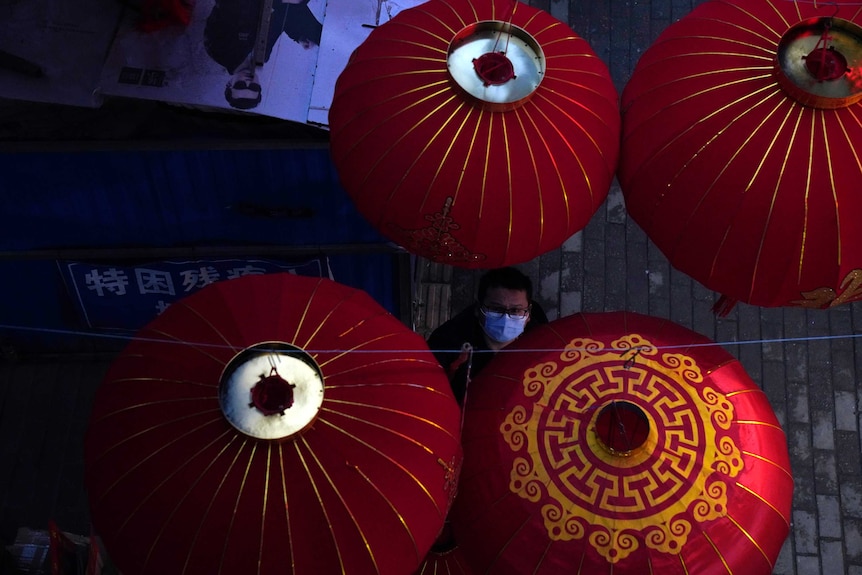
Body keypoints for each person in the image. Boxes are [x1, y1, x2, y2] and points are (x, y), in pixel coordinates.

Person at [427, 267, 548, 404]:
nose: (506, 317)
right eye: (496, 309)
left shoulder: (542, 343)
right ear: (479, 309)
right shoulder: (447, 342)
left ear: (528, 313)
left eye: (515, 310)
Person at [204, 0, 323, 110]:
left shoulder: (217, 50)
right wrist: (298, 36)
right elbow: (279, 19)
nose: (248, 81)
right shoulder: (263, 57)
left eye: (240, 85)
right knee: (319, 37)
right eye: (254, 87)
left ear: (229, 84)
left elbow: (228, 5)